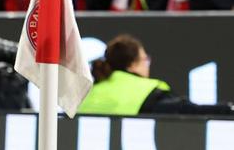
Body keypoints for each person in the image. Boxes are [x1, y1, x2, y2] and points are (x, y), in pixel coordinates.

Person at [79, 34, 234, 115]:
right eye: (145, 59)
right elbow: (187, 111)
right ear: (132, 65)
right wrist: (228, 109)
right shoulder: (147, 91)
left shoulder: (88, 93)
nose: (148, 64)